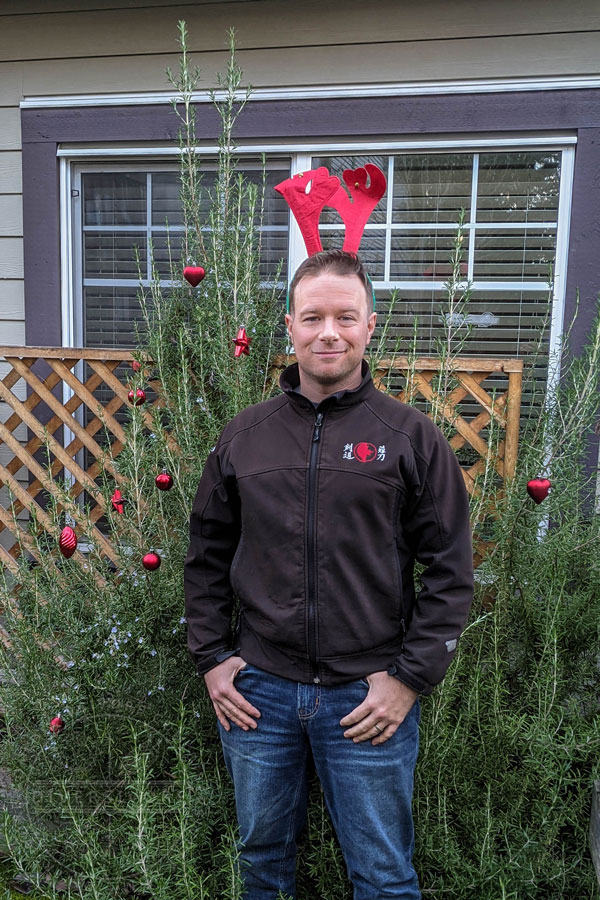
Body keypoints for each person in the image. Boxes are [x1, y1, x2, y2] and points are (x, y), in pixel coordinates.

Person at [184, 249, 474, 900]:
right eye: (313, 317)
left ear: (371, 325)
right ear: (289, 325)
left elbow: (452, 570)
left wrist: (408, 680)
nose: (329, 332)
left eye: (346, 316)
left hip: (367, 701)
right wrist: (212, 657)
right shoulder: (244, 437)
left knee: (383, 874)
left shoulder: (408, 438)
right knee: (261, 864)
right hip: (259, 698)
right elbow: (204, 555)